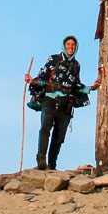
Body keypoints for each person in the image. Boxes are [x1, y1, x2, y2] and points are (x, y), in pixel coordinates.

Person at [25, 35, 97, 170]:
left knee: (59, 137)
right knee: (45, 129)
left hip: (66, 104)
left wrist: (92, 87)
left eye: (73, 45)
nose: (71, 47)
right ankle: (41, 160)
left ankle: (52, 164)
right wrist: (32, 81)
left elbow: (76, 85)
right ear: (64, 46)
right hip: (50, 100)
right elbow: (43, 78)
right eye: (68, 44)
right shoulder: (54, 59)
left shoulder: (76, 65)